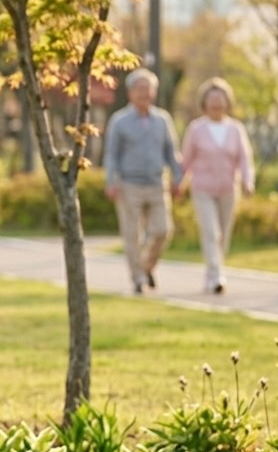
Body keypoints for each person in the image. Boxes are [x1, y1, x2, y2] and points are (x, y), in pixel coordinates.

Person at [102, 67, 182, 294]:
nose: (144, 93)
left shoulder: (162, 120)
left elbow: (171, 151)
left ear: (154, 93)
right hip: (129, 184)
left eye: (148, 89)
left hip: (157, 183)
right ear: (130, 93)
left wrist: (178, 177)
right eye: (139, 89)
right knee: (131, 234)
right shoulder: (119, 121)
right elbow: (111, 154)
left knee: (163, 230)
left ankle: (146, 266)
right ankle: (137, 278)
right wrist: (110, 181)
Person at [179, 77, 255, 294]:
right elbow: (187, 160)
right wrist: (178, 183)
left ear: (227, 103)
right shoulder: (196, 128)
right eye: (212, 100)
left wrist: (248, 182)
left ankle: (213, 272)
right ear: (204, 103)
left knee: (223, 235)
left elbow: (244, 159)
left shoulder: (235, 129)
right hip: (203, 188)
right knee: (211, 232)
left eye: (220, 100)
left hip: (229, 189)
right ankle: (216, 276)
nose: (216, 104)